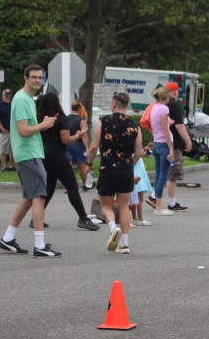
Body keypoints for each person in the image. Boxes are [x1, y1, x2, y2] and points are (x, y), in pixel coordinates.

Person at [0, 65, 59, 257]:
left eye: (40, 78)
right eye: (34, 77)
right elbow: (23, 130)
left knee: (29, 198)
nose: (37, 81)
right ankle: (39, 245)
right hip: (28, 153)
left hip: (27, 153)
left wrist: (42, 125)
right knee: (39, 196)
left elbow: (26, 128)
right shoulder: (23, 99)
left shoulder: (27, 99)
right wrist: (43, 125)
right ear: (25, 78)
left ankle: (7, 238)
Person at [86, 91, 143, 254]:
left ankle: (113, 228)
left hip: (108, 168)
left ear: (113, 105)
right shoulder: (134, 125)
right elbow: (139, 151)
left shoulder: (104, 122)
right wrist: (130, 163)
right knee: (124, 206)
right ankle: (124, 244)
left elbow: (93, 147)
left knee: (106, 206)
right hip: (126, 170)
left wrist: (89, 163)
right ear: (126, 106)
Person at [36, 90, 99, 231]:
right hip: (57, 155)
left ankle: (36, 218)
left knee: (49, 187)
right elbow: (65, 140)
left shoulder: (40, 118)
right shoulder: (61, 119)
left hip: (43, 154)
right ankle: (83, 218)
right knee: (72, 186)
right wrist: (77, 136)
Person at [146, 86, 175, 215]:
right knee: (163, 175)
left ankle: (158, 204)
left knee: (158, 175)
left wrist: (169, 121)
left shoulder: (154, 107)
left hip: (157, 142)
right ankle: (158, 206)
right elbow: (165, 129)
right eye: (168, 96)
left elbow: (157, 124)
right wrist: (171, 148)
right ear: (165, 97)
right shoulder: (164, 108)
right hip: (164, 144)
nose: (169, 99)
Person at [164, 82, 193, 210]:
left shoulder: (161, 105)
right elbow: (179, 126)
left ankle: (156, 198)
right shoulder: (174, 105)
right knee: (173, 174)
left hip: (162, 142)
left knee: (164, 173)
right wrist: (188, 141)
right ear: (174, 92)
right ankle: (171, 203)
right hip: (174, 144)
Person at [66, 100, 92, 190]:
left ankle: (68, 187)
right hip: (79, 146)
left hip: (68, 144)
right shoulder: (82, 120)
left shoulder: (66, 118)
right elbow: (84, 136)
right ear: (80, 108)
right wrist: (87, 148)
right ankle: (85, 184)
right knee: (82, 167)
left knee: (69, 167)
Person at [0, 88, 14, 171]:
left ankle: (11, 166)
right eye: (7, 95)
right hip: (3, 132)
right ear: (3, 96)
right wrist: (3, 129)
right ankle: (4, 167)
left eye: (10, 95)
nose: (8, 97)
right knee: (3, 150)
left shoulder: (13, 104)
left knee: (13, 150)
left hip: (12, 132)